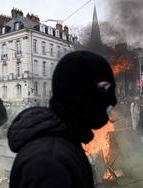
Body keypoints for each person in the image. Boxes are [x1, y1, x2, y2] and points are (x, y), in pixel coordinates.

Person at [7, 51, 117, 188]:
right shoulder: (50, 162)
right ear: (78, 92)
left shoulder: (63, 145)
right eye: (104, 88)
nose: (113, 100)